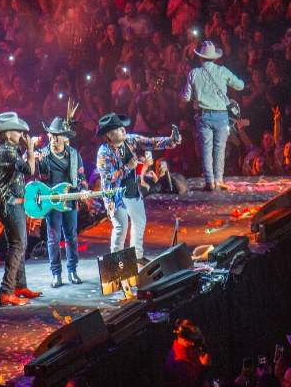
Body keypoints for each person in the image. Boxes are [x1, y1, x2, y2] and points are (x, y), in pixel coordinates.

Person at [95, 113, 180, 264]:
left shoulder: (130, 140)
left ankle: (137, 257)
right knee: (121, 226)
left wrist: (170, 140)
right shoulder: (103, 152)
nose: (123, 130)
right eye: (118, 129)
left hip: (131, 190)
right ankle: (117, 262)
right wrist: (127, 167)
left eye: (122, 127)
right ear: (109, 134)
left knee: (139, 221)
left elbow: (150, 142)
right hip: (114, 194)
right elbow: (108, 177)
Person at [0, 112, 42, 306]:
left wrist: (30, 152)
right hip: (9, 205)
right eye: (17, 130)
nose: (21, 133)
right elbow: (29, 170)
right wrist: (30, 150)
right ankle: (6, 291)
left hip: (13, 204)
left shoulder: (11, 149)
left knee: (20, 244)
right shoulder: (6, 152)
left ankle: (20, 285)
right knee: (17, 245)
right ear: (7, 133)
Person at [181, 40, 245, 191]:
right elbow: (240, 85)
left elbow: (185, 97)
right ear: (215, 58)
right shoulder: (222, 71)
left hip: (204, 116)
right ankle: (219, 179)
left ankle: (210, 181)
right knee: (220, 148)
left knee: (206, 148)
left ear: (201, 58)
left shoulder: (193, 73)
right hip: (221, 116)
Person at [36, 114, 86, 287]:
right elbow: (36, 179)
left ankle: (73, 271)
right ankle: (56, 274)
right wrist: (34, 159)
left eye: (57, 135)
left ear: (65, 137)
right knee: (53, 238)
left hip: (70, 201)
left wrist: (84, 191)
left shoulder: (74, 155)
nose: (53, 138)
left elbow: (81, 177)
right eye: (51, 134)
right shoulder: (43, 155)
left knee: (71, 236)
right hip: (52, 203)